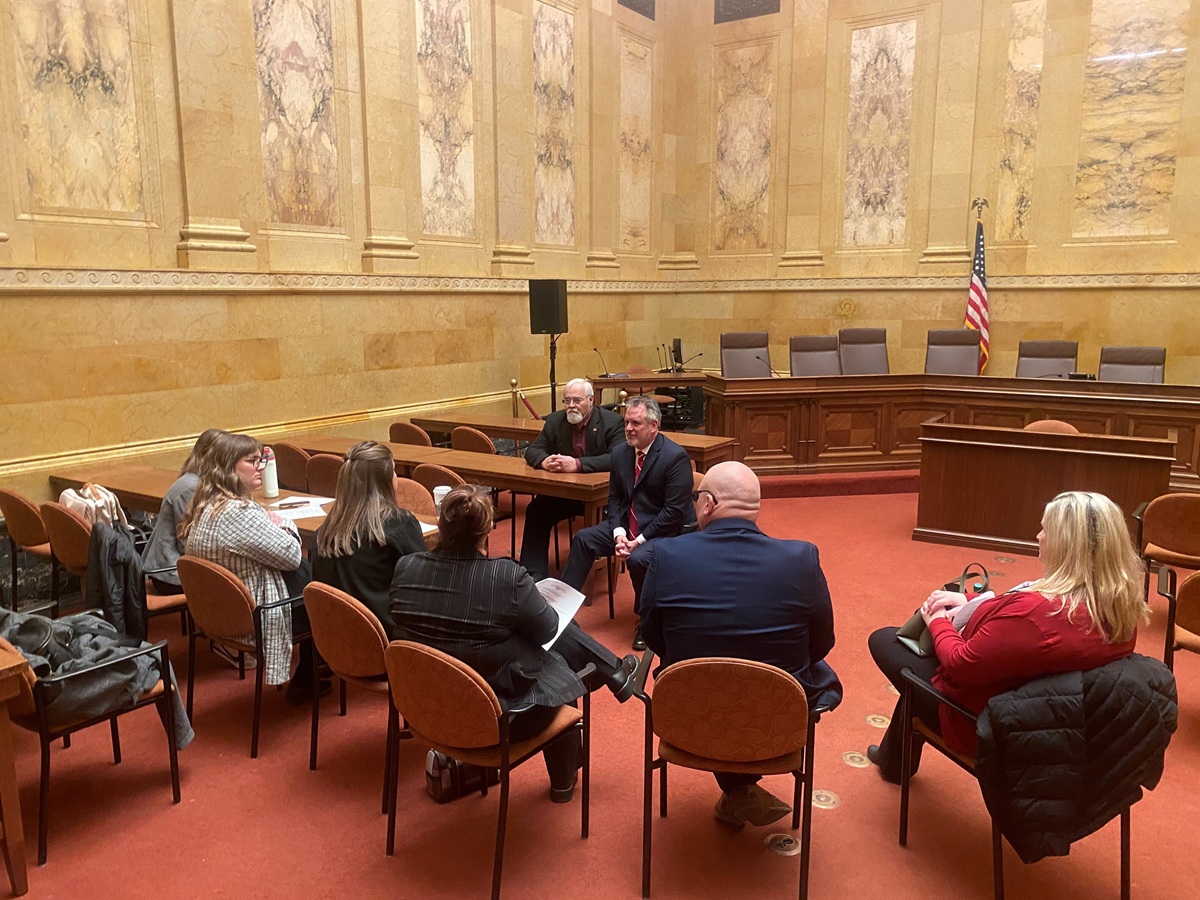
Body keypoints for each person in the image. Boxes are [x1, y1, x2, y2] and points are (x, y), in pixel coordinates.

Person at [866, 490, 1148, 783]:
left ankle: (895, 763)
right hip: (1061, 724)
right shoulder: (1120, 606)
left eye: (1045, 530)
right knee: (918, 669)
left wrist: (937, 620)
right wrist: (973, 608)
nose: (1038, 536)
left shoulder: (1036, 613)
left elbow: (960, 663)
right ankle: (893, 761)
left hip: (989, 723)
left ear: (1067, 545)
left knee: (887, 641)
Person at [390, 484, 642, 803]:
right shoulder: (504, 577)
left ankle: (614, 673)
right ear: (486, 532)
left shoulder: (406, 567)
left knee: (516, 632)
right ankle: (564, 781)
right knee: (557, 668)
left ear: (440, 527)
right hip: (496, 717)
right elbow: (548, 629)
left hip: (425, 706)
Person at [640, 461, 842, 828]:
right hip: (776, 721)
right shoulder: (802, 558)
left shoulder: (666, 556)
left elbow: (653, 637)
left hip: (690, 717)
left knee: (704, 673)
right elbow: (821, 644)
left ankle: (738, 791)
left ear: (708, 504)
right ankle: (740, 789)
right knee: (798, 673)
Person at [179, 432, 323, 702]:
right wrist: (284, 524)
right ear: (227, 467)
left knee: (314, 575)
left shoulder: (204, 506)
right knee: (327, 594)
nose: (261, 466)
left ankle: (315, 671)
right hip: (258, 615)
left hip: (222, 613)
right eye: (251, 461)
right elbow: (291, 554)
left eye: (260, 460)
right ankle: (310, 676)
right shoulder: (237, 513)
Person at [559, 396, 695, 649]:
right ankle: (558, 612)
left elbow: (674, 512)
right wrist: (619, 534)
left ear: (654, 426)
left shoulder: (674, 457)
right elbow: (616, 499)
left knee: (638, 559)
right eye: (626, 423)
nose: (629, 428)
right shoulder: (621, 453)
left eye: (636, 423)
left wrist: (637, 541)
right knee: (584, 539)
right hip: (629, 528)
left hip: (665, 532)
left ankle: (646, 622)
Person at [312, 441, 426, 638]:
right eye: (394, 471)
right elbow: (425, 581)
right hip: (387, 639)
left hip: (336, 639)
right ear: (386, 480)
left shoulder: (325, 531)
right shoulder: (399, 524)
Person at [518, 378, 623, 582]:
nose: (571, 406)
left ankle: (569, 588)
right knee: (536, 510)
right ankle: (533, 577)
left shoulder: (612, 422)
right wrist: (544, 461)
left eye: (577, 400)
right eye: (567, 401)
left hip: (603, 498)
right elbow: (533, 449)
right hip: (568, 494)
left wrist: (578, 464)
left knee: (588, 534)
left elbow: (616, 457)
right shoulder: (556, 420)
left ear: (591, 400)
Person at [142, 428, 226, 595]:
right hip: (170, 573)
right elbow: (188, 542)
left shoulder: (198, 482)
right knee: (240, 582)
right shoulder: (190, 488)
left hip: (179, 566)